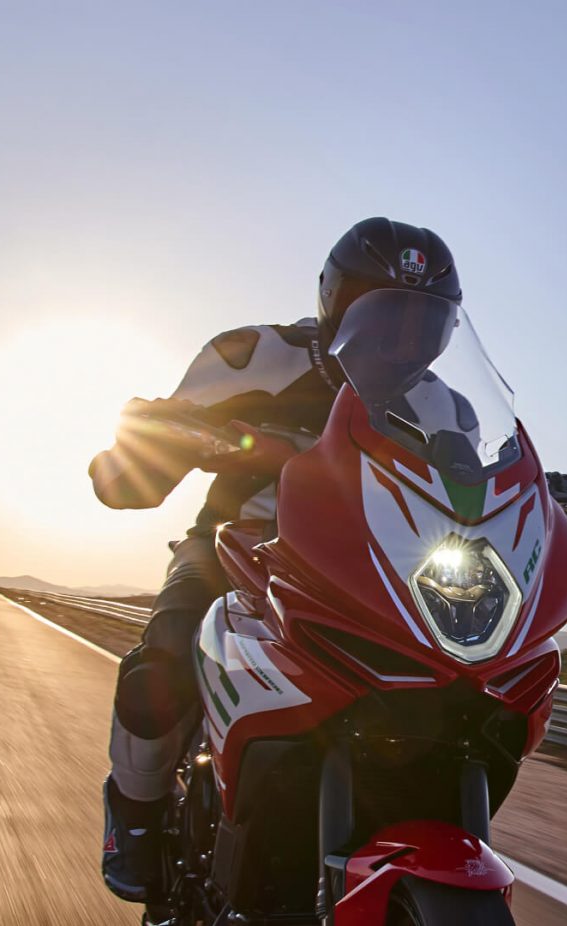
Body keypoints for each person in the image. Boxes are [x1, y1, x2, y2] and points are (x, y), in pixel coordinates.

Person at [90, 217, 463, 902]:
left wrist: (550, 494)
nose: (401, 337)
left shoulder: (440, 406)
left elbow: (475, 485)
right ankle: (135, 814)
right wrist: (153, 439)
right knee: (162, 663)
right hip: (236, 547)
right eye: (384, 312)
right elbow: (132, 472)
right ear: (336, 299)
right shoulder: (253, 356)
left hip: (377, 576)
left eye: (421, 322)